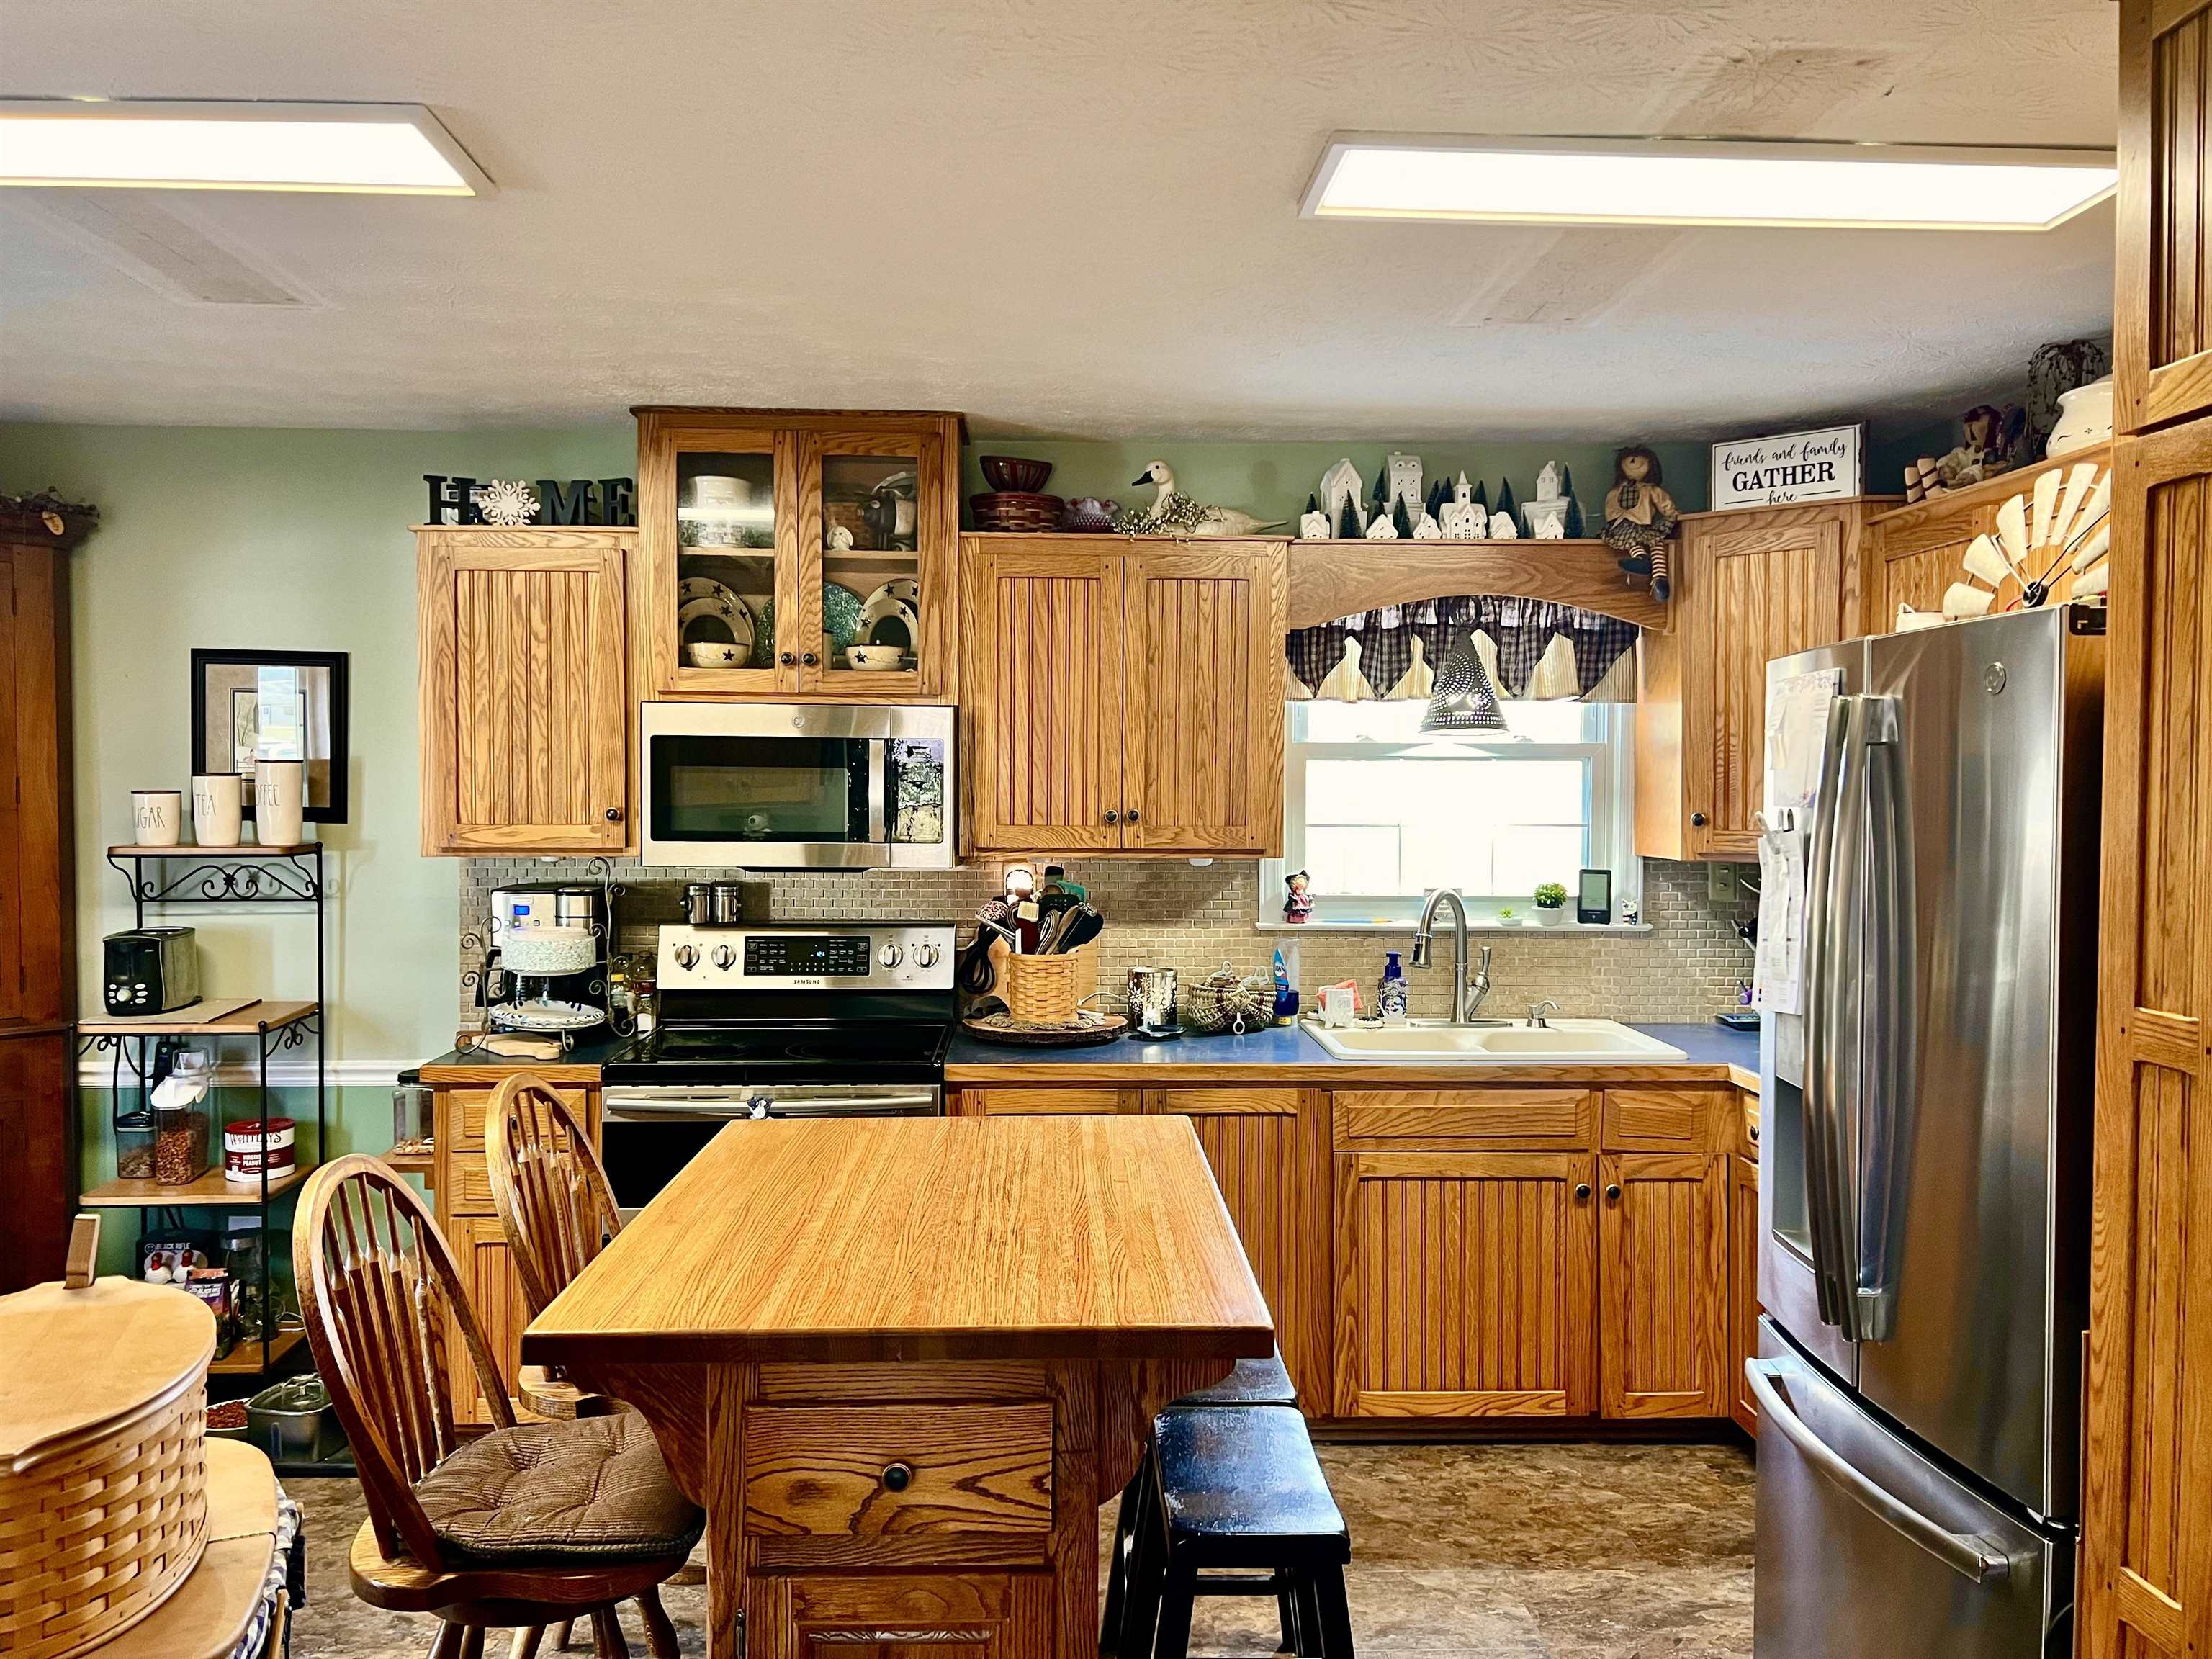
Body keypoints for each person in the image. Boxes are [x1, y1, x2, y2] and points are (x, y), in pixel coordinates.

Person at [1603, 444, 1680, 603]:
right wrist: (1614, 521)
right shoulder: (1616, 491)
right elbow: (1611, 507)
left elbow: (1665, 505)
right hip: (1624, 524)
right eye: (1629, 460)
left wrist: (1672, 515)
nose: (1633, 463)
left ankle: (1659, 579)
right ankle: (1643, 561)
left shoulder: (1650, 490)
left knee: (1655, 542)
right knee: (1634, 541)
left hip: (1643, 524)